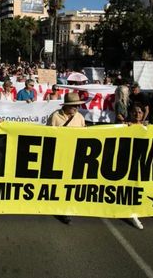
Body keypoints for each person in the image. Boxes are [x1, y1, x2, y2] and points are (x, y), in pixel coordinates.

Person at [46, 92, 86, 225]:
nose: (76, 108)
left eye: (77, 105)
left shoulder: (80, 117)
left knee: (70, 182)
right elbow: (47, 134)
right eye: (73, 105)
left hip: (74, 154)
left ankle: (66, 209)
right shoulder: (55, 117)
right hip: (59, 154)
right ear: (66, 106)